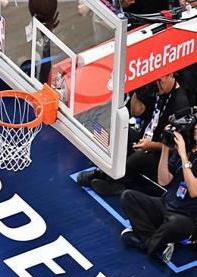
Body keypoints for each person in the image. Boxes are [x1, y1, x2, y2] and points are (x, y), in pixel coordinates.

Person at [79, 73, 190, 196]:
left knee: (139, 158)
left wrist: (152, 145)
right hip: (145, 139)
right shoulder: (156, 89)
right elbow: (135, 112)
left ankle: (113, 181)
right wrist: (139, 89)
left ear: (170, 75)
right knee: (121, 132)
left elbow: (178, 147)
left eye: (160, 80)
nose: (157, 84)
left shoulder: (181, 103)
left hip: (162, 155)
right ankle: (104, 172)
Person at [120, 119, 197, 262]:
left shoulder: (184, 153)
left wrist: (183, 156)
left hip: (186, 217)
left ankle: (145, 241)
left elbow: (193, 191)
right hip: (165, 204)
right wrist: (165, 148)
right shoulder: (187, 149)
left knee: (173, 224)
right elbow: (163, 180)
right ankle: (155, 245)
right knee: (128, 196)